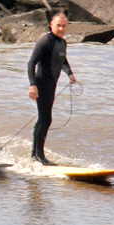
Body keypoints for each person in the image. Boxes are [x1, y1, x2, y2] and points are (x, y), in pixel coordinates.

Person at [27, 12, 78, 165]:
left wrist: (70, 73)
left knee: (43, 119)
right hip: (41, 83)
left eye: (64, 26)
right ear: (51, 25)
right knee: (46, 119)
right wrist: (33, 85)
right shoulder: (45, 41)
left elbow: (62, 59)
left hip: (51, 85)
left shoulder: (62, 43)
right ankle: (39, 156)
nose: (61, 28)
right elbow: (31, 63)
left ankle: (34, 154)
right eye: (58, 25)